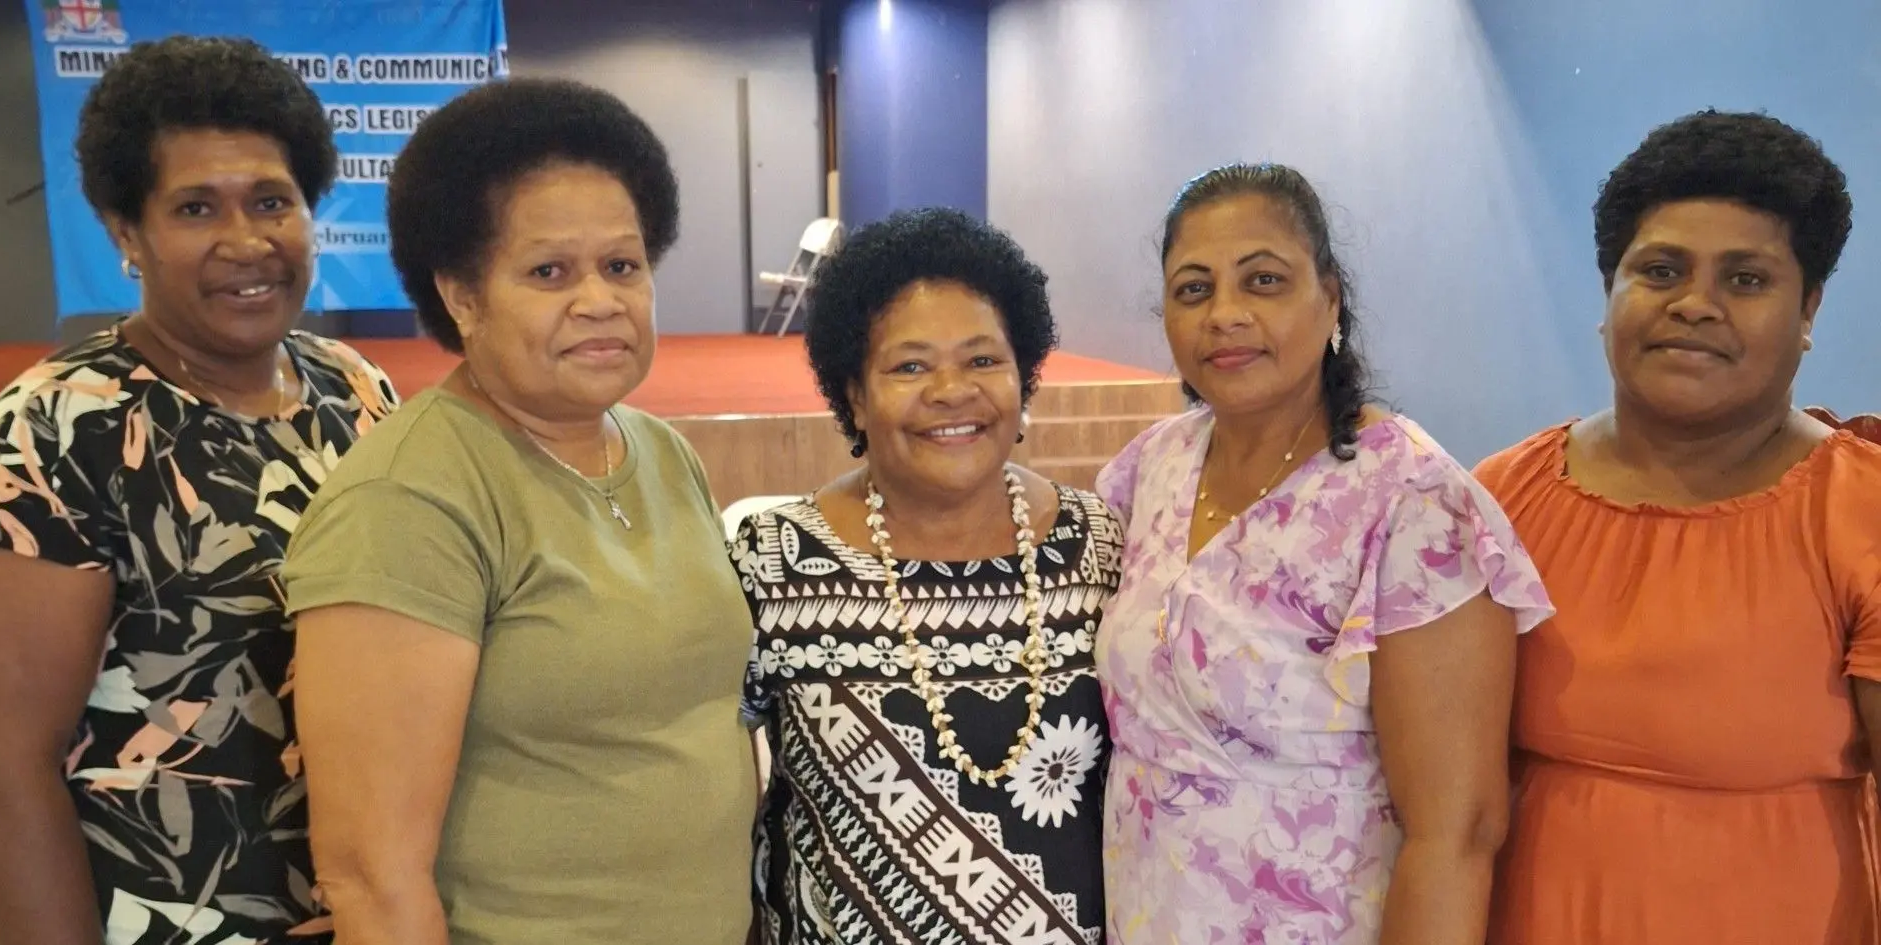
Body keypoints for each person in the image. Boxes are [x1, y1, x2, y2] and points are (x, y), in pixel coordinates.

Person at [282, 78, 754, 945]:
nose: (600, 300)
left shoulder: (659, 450)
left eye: (623, 264)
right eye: (549, 272)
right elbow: (372, 875)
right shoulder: (410, 500)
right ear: (462, 295)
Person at [0, 36, 397, 945]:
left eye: (272, 201)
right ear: (127, 231)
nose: (247, 242)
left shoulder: (353, 389)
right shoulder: (50, 433)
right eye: (196, 207)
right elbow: (6, 768)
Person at [1093, 164, 1553, 945]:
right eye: (1193, 288)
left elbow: (1458, 831)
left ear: (1330, 298)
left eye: (1263, 280)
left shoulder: (1412, 504)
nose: (1225, 314)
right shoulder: (1151, 468)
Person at [1478, 110, 1881, 943]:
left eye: (1746, 279)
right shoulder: (1494, 501)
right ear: (1609, 295)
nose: (1695, 305)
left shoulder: (1861, 512)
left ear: (1808, 309)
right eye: (1660, 270)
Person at [737, 207, 1123, 944]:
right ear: (852, 393)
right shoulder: (773, 561)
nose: (952, 390)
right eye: (909, 365)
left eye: (983, 360)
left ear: (1024, 375)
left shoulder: (1097, 546)